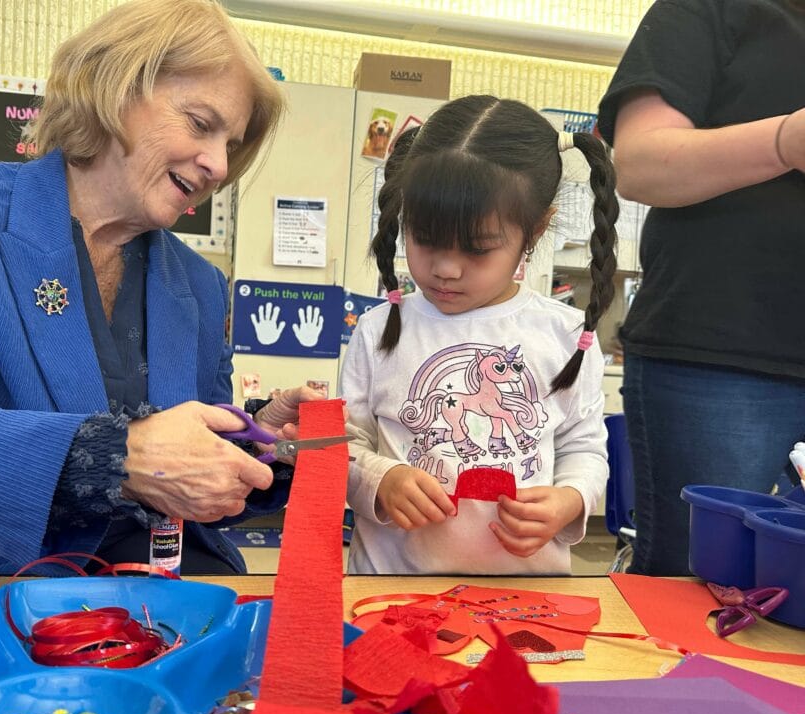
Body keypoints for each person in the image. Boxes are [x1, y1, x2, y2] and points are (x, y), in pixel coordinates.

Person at [0, 0, 319, 576]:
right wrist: (118, 457)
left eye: (231, 145)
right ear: (115, 89)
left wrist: (262, 447)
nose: (219, 166)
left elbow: (185, 489)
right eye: (202, 124)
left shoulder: (201, 286)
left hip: (143, 602)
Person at [340, 95, 616, 575]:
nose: (446, 268)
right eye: (424, 239)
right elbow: (342, 443)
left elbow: (583, 449)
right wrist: (380, 478)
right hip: (392, 590)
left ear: (535, 230)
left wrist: (568, 501)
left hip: (527, 598)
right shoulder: (378, 329)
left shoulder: (565, 333)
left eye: (478, 248)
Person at [597, 0, 805, 576]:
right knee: (695, 591)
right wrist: (787, 140)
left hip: (725, 359)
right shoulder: (710, 8)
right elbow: (638, 163)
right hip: (720, 354)